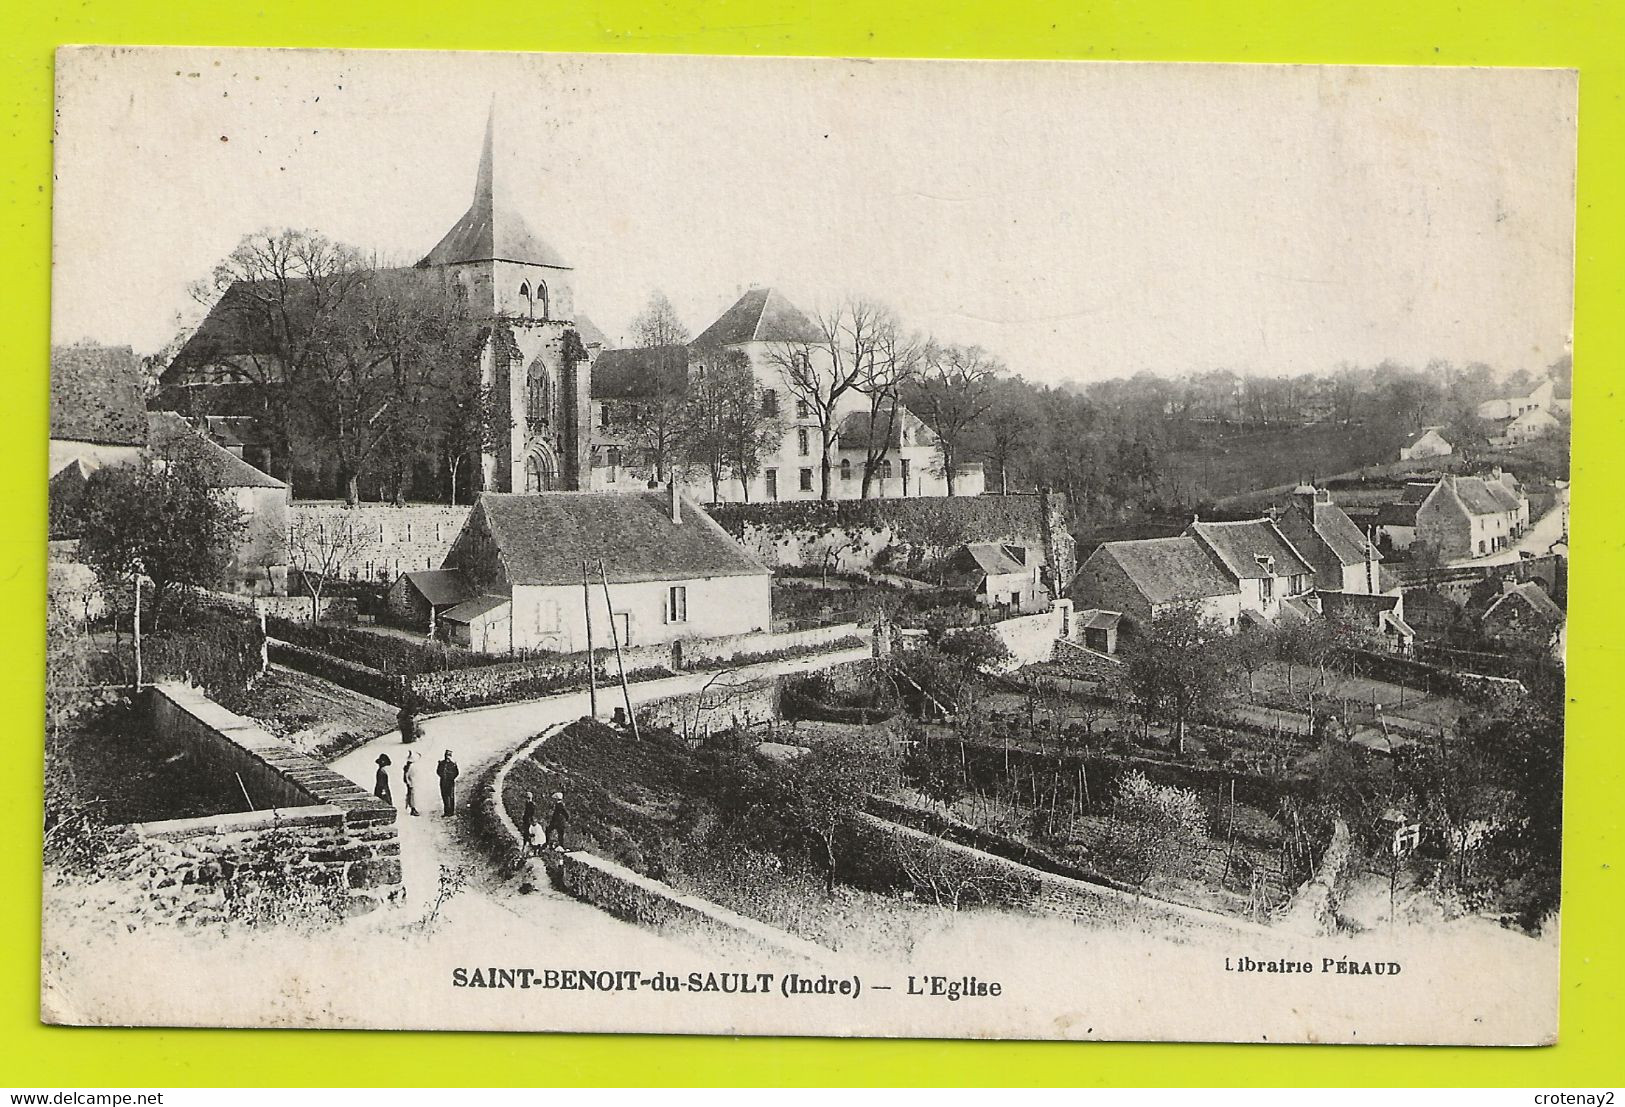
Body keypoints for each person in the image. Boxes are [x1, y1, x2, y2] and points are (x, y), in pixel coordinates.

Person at [437, 750, 460, 816]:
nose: (447, 757)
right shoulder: (441, 763)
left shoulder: (453, 764)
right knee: (444, 796)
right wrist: (442, 776)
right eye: (446, 756)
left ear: (451, 756)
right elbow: (438, 771)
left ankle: (451, 812)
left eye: (449, 756)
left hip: (450, 782)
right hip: (443, 782)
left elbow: (456, 773)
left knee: (451, 796)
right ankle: (446, 811)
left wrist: (451, 778)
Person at [401, 750, 421, 817]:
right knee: (412, 796)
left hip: (411, 782)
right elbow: (406, 775)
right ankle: (413, 808)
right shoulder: (411, 766)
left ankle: (412, 808)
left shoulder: (408, 765)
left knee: (411, 795)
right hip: (412, 783)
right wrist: (409, 783)